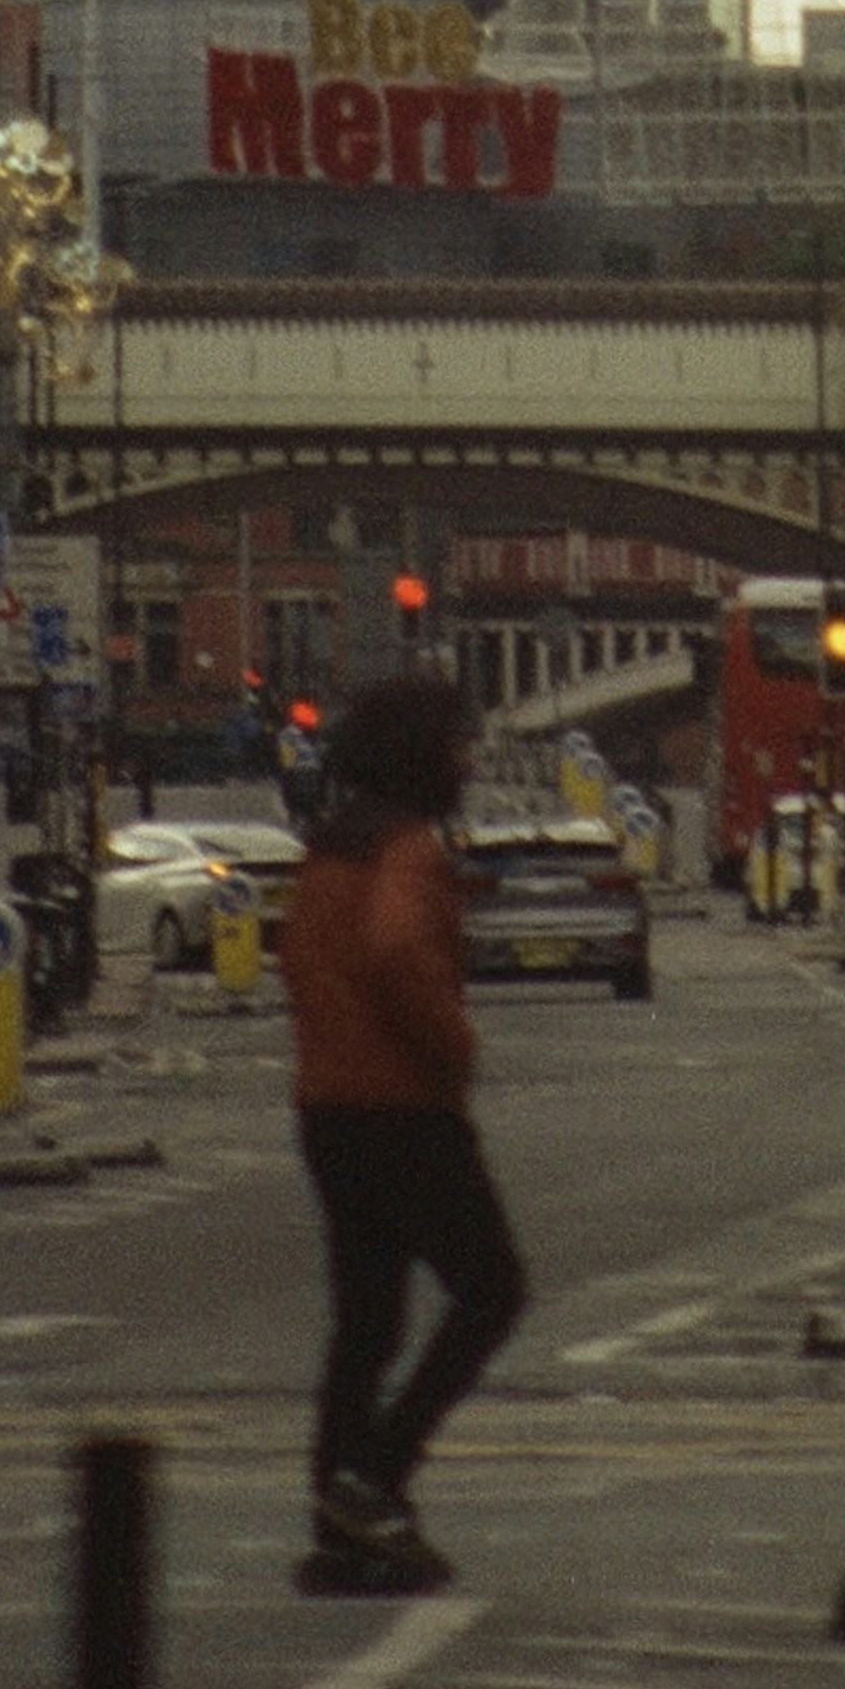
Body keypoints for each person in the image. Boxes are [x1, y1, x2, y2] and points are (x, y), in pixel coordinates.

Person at [277, 671, 528, 1595]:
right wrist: (453, 1045)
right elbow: (395, 950)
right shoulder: (410, 849)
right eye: (458, 743)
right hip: (405, 1109)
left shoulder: (329, 849)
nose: (467, 759)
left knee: (367, 1320)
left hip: (328, 1108)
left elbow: (300, 961)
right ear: (424, 752)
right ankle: (373, 1481)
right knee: (492, 1287)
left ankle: (337, 1528)